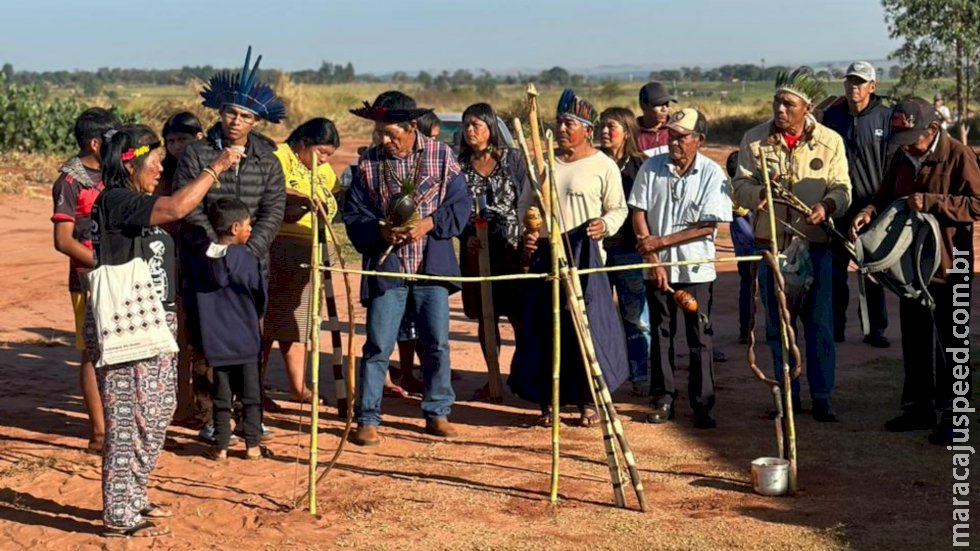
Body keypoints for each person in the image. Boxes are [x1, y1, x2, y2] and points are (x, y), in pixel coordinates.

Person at [86, 124, 241, 538]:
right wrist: (216, 168)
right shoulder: (117, 201)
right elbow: (175, 209)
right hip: (124, 324)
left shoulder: (137, 201)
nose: (159, 169)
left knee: (154, 414)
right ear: (129, 162)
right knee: (126, 419)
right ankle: (119, 515)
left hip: (154, 321)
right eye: (154, 162)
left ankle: (134, 496)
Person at [343, 91, 472, 446]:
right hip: (389, 265)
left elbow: (462, 205)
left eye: (391, 133)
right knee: (378, 344)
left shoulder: (441, 156)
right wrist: (380, 231)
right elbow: (353, 215)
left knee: (437, 343)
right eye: (379, 133)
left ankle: (438, 412)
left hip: (431, 265)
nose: (384, 141)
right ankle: (367, 418)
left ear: (412, 127)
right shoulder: (368, 164)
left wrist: (428, 224)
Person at [850, 97, 980, 445]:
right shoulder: (902, 157)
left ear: (933, 130)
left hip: (951, 266)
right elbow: (883, 195)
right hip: (910, 268)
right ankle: (919, 408)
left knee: (953, 345)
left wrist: (933, 202)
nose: (906, 146)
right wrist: (869, 211)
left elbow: (977, 204)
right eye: (901, 140)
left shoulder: (958, 156)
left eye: (912, 139)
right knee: (915, 340)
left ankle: (956, 417)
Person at [173, 48, 286, 440]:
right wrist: (216, 247)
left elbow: (274, 208)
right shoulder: (197, 155)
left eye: (245, 116)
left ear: (256, 121)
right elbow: (189, 207)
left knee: (250, 339)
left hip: (253, 267)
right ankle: (210, 418)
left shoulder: (267, 160)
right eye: (231, 113)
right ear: (219, 113)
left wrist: (249, 251)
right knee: (207, 343)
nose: (236, 121)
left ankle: (249, 416)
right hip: (205, 265)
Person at [732, 68, 851, 422]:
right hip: (773, 249)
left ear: (807, 107)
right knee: (778, 328)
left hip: (815, 246)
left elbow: (843, 189)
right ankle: (787, 396)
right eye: (776, 102)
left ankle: (822, 396)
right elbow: (738, 186)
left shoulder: (830, 142)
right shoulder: (755, 141)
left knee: (819, 325)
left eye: (788, 104)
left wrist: (826, 207)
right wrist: (758, 196)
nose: (780, 110)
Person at [510, 89, 629, 427]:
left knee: (586, 330)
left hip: (586, 258)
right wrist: (530, 229)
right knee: (544, 328)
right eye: (559, 122)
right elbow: (526, 205)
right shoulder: (544, 163)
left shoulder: (603, 165)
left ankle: (588, 399)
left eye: (570, 123)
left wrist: (603, 225)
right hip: (547, 256)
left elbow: (618, 208)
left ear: (587, 129)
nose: (562, 129)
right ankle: (549, 400)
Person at [630, 109, 732, 429]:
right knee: (661, 333)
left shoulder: (712, 174)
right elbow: (638, 213)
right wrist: (654, 259)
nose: (675, 141)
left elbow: (707, 226)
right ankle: (663, 397)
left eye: (682, 136)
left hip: (696, 269)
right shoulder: (651, 166)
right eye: (672, 134)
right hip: (658, 269)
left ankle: (702, 403)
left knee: (699, 335)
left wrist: (660, 243)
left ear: (699, 140)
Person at [50, 108, 119, 454]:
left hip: (119, 274)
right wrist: (99, 262)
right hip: (88, 278)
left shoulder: (114, 173)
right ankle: (99, 434)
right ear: (95, 143)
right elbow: (63, 241)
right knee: (93, 353)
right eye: (112, 139)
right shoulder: (69, 181)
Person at [263, 118, 340, 409]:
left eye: (329, 156)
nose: (324, 159)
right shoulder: (279, 158)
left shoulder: (323, 169)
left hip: (314, 252)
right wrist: (299, 199)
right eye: (321, 152)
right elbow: (269, 193)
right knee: (269, 323)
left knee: (300, 323)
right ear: (304, 143)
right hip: (280, 249)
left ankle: (298, 386)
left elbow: (334, 195)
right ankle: (254, 389)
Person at [457, 102, 531, 400]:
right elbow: (454, 207)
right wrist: (465, 235)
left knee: (519, 317)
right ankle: (492, 379)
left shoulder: (512, 160)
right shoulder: (459, 165)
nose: (470, 131)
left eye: (476, 125)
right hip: (476, 250)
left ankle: (524, 377)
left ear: (491, 128)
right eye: (466, 126)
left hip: (512, 249)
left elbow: (528, 200)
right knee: (486, 317)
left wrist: (528, 236)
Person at [821, 61, 893, 347]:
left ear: (872, 87)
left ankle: (876, 329)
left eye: (860, 82)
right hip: (838, 208)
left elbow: (892, 165)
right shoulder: (832, 117)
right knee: (835, 275)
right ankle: (836, 327)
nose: (854, 86)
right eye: (850, 81)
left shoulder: (886, 119)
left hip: (873, 209)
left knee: (873, 272)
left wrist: (877, 204)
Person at [190, 197, 267, 461]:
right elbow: (260, 295)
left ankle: (222, 445)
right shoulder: (247, 258)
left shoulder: (201, 259)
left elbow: (191, 297)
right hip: (246, 339)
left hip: (216, 341)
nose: (250, 230)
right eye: (248, 225)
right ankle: (253, 445)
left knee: (220, 394)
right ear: (235, 228)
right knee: (251, 394)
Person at [598, 107, 651, 395]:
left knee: (636, 318)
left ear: (627, 131)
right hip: (597, 252)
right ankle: (604, 375)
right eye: (602, 127)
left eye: (611, 127)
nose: (604, 132)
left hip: (630, 251)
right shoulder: (592, 162)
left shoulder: (642, 166)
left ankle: (641, 374)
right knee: (599, 316)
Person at [158, 111, 205, 428]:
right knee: (177, 335)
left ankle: (205, 406)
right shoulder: (160, 173)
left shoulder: (210, 168)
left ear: (198, 138)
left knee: (203, 337)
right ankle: (181, 404)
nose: (176, 146)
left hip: (202, 258)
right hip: (171, 261)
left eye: (183, 139)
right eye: (171, 141)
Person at [725, 151, 757, 344]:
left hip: (743, 245)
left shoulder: (728, 190)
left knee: (748, 285)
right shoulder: (746, 190)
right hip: (758, 241)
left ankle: (745, 330)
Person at [636, 82, 675, 157]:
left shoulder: (675, 131)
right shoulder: (633, 135)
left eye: (667, 104)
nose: (665, 109)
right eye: (659, 104)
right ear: (643, 105)